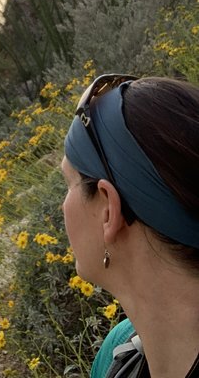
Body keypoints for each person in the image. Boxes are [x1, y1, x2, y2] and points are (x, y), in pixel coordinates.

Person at [62, 74, 199, 378]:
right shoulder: (119, 346)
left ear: (108, 209)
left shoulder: (118, 361)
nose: (63, 206)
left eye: (68, 183)